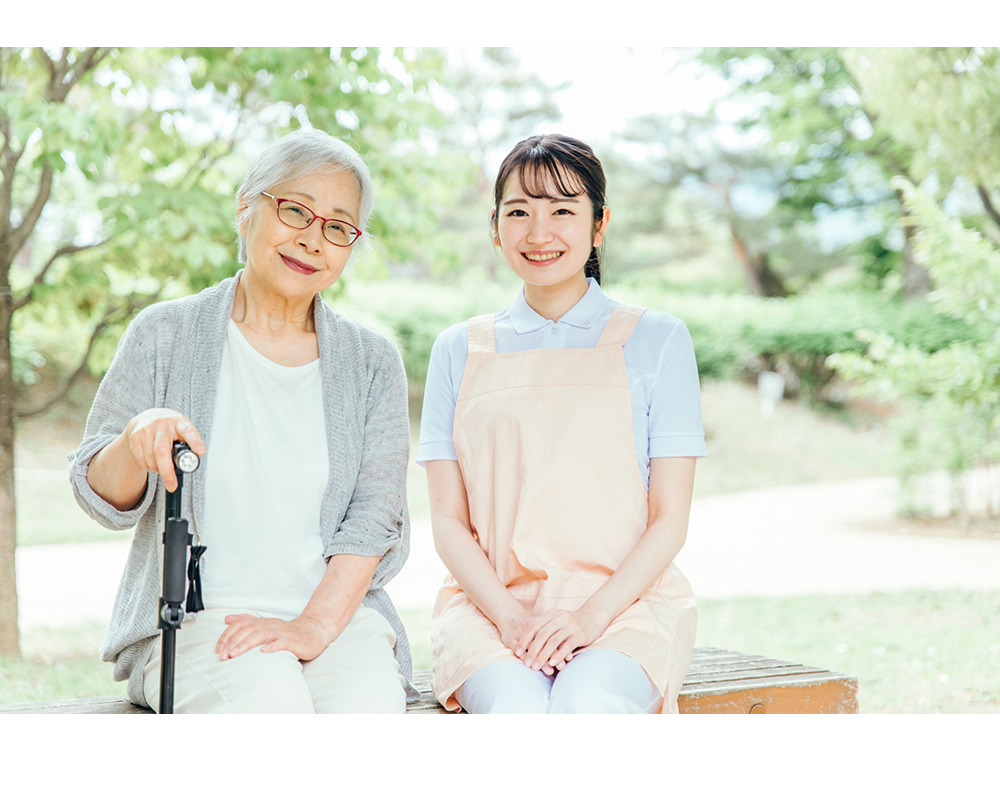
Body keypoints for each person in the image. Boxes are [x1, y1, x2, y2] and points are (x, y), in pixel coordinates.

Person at [69, 128, 417, 713]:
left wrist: (311, 628)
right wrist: (135, 441)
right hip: (199, 623)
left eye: (336, 227)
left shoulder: (373, 362)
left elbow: (374, 519)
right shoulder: (165, 334)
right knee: (271, 711)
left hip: (336, 623)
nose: (312, 239)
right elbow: (98, 494)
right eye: (295, 211)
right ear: (246, 210)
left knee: (369, 719)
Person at [417, 134, 707, 714]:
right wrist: (509, 617)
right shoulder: (458, 349)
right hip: (489, 608)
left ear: (599, 226)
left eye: (563, 211)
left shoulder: (658, 339)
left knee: (588, 707)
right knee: (518, 712)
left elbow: (669, 519)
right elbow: (448, 521)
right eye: (519, 212)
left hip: (627, 607)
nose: (538, 232)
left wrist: (590, 616)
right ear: (495, 227)